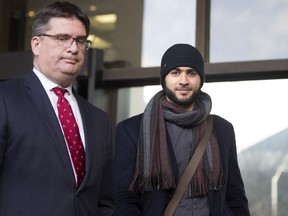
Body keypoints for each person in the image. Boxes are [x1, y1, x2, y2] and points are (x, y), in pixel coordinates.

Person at [0, 1, 115, 216]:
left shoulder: (99, 120)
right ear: (36, 44)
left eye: (80, 41)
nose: (73, 48)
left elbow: (104, 200)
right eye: (62, 38)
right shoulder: (5, 99)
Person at [113, 43, 250, 215]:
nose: (183, 81)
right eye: (175, 72)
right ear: (164, 78)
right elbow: (124, 200)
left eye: (191, 73)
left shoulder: (222, 129)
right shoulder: (131, 130)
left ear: (200, 79)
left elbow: (235, 195)